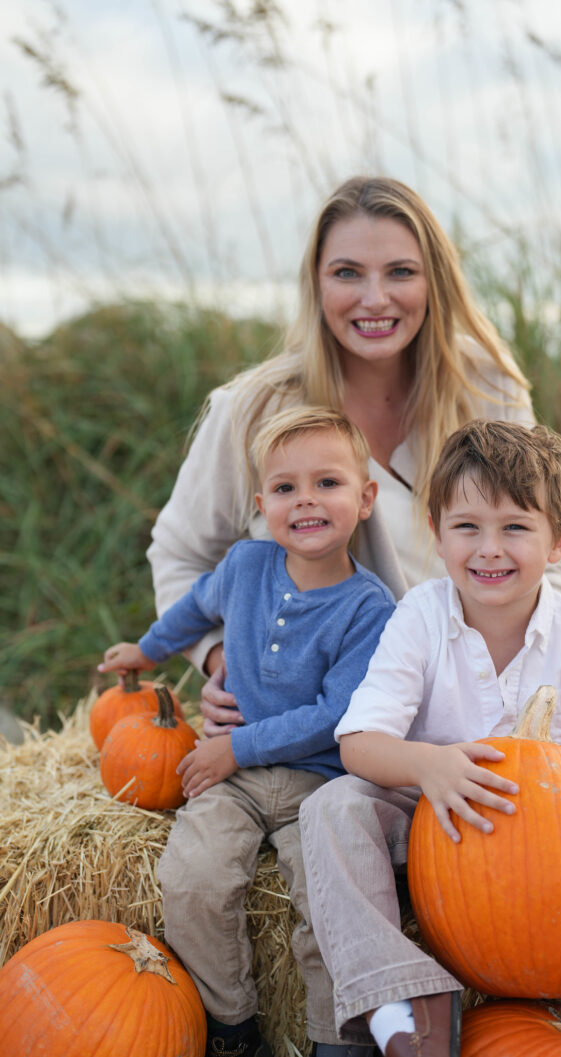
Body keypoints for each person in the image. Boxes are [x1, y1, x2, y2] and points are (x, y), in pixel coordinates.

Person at [146, 175, 561, 805]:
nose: (374, 298)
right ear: (317, 283)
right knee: (344, 804)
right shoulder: (252, 407)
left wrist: (541, 682)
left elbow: (538, 541)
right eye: (347, 273)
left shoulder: (487, 387)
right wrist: (222, 660)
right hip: (332, 702)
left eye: (400, 272)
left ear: (434, 279)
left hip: (466, 675)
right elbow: (180, 556)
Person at [298, 420, 561, 1057]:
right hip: (437, 822)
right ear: (435, 534)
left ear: (558, 539)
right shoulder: (421, 618)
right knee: (330, 808)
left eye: (515, 527)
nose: (489, 549)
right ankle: (398, 1001)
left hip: (553, 842)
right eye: (467, 527)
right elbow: (359, 742)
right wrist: (427, 765)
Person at [99, 406, 396, 1057]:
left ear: (365, 497)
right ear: (261, 503)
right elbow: (193, 607)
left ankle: (335, 1036)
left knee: (329, 899)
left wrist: (234, 745)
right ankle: (229, 1025)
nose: (306, 500)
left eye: (328, 483)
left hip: (319, 782)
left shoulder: (369, 608)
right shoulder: (244, 567)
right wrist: (146, 653)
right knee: (193, 876)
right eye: (286, 488)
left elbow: (334, 712)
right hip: (232, 781)